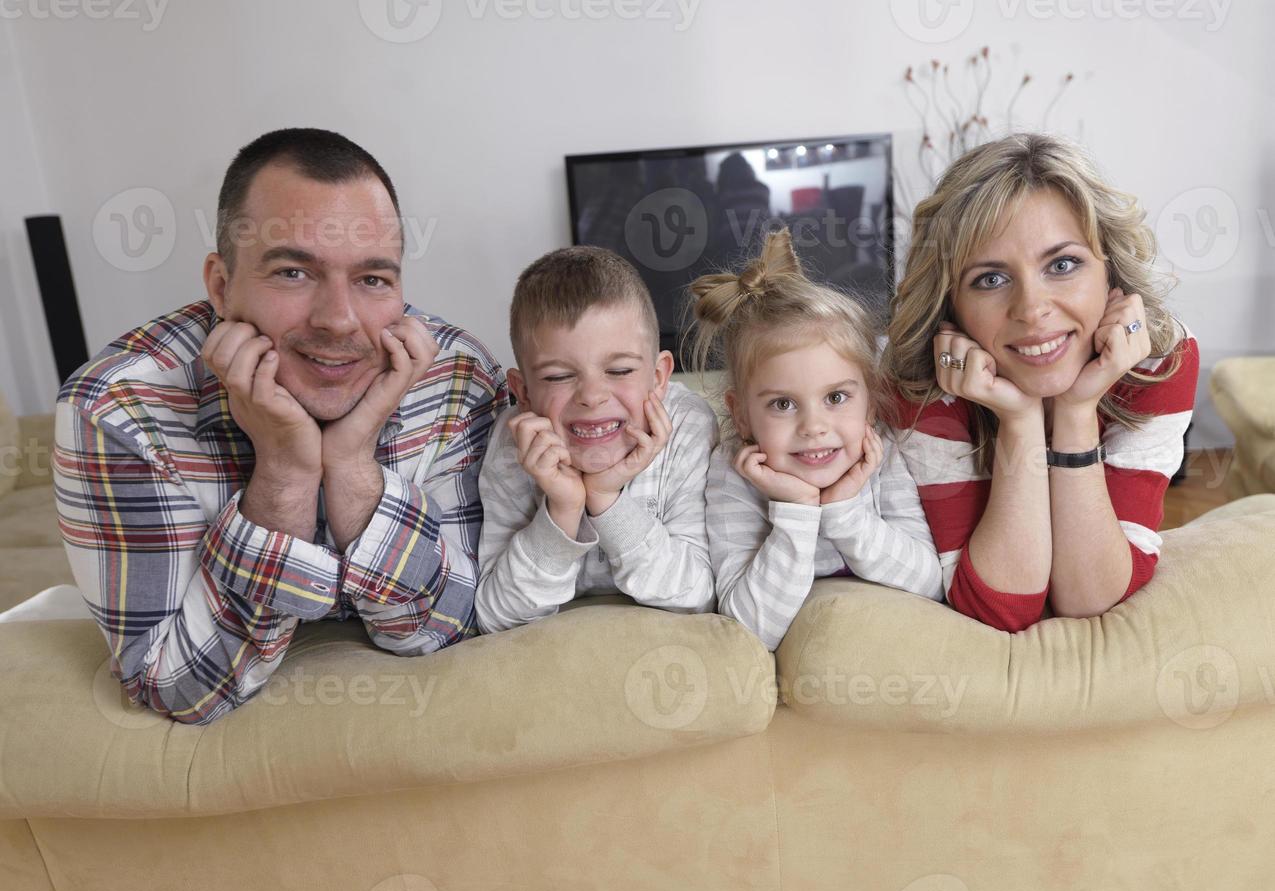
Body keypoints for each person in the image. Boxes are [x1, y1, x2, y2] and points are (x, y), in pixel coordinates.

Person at [53, 128, 507, 724]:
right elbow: (178, 688)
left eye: (373, 279)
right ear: (220, 285)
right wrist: (286, 474)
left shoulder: (455, 376)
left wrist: (351, 464)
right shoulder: (116, 409)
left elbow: (444, 628)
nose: (339, 321)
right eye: (294, 272)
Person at [884, 133, 1199, 631]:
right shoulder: (922, 382)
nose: (1032, 311)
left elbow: (1089, 596)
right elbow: (1000, 606)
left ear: (1110, 273)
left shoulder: (1160, 359)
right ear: (951, 306)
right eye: (990, 279)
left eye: (1063, 264)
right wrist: (1020, 419)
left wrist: (1075, 413)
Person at [688, 228, 943, 651]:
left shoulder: (881, 454)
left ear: (871, 404)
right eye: (783, 405)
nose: (813, 426)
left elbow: (928, 583)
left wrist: (844, 510)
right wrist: (797, 510)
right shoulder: (732, 472)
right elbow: (750, 628)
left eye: (836, 397)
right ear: (741, 415)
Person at [475, 246, 717, 631]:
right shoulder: (512, 447)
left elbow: (696, 595)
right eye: (558, 376)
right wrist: (564, 508)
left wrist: (606, 499)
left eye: (619, 370)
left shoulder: (688, 427)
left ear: (659, 377)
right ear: (523, 392)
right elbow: (496, 616)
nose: (591, 395)